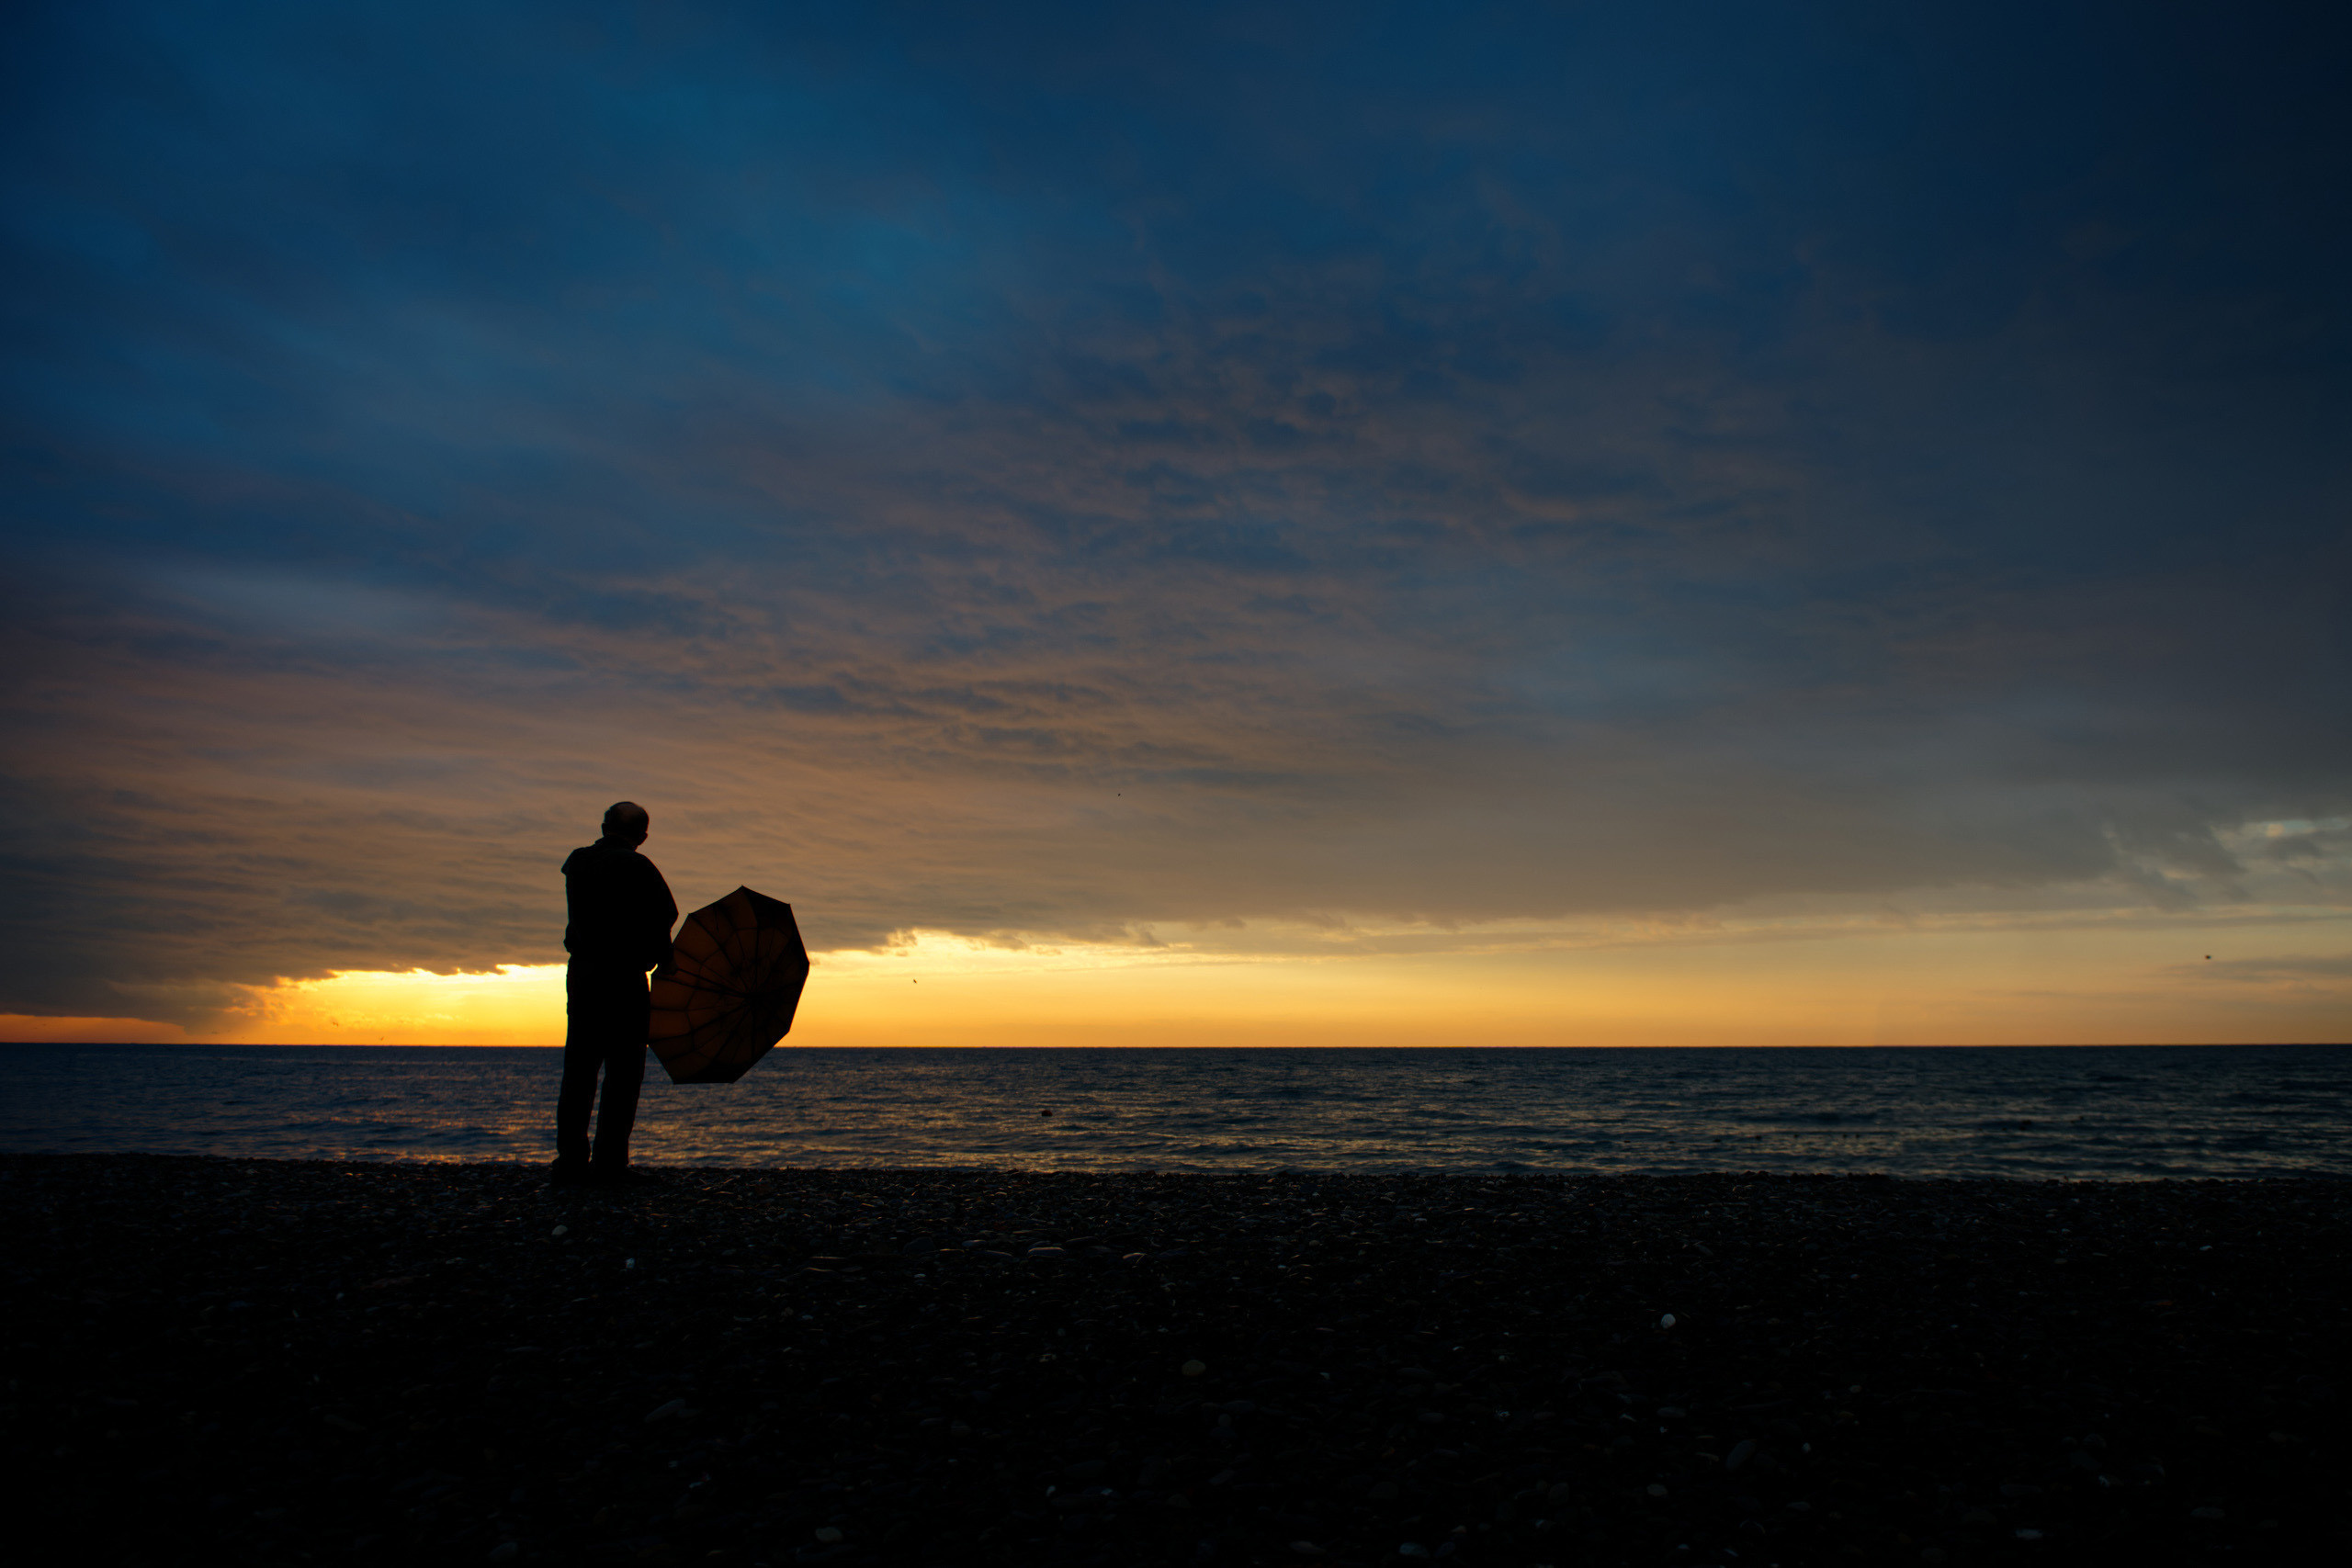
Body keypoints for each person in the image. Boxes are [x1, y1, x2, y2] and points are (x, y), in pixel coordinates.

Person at [553, 800, 678, 1187]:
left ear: (604, 826)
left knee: (579, 1069)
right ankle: (609, 1164)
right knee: (623, 1072)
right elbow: (664, 917)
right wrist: (665, 961)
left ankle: (571, 1161)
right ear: (642, 835)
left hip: (584, 974)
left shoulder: (577, 862)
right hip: (623, 977)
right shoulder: (638, 867)